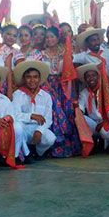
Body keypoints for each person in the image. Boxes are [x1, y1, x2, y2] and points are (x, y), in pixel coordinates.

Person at [41, 27, 81, 157]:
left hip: (64, 84)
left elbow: (71, 70)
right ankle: (55, 147)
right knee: (54, 111)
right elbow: (40, 74)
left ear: (57, 38)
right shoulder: (41, 54)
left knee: (68, 110)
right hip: (47, 86)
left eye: (52, 36)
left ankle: (71, 146)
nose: (49, 39)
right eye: (47, 37)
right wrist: (49, 87)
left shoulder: (65, 51)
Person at [12, 61, 56, 159]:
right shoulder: (18, 94)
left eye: (35, 77)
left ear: (40, 79)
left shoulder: (46, 96)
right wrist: (31, 116)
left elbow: (48, 118)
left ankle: (38, 152)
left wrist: (39, 130)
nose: (32, 80)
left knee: (50, 138)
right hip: (23, 127)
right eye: (28, 77)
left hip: (38, 127)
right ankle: (24, 152)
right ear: (24, 79)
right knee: (16, 129)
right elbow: (15, 115)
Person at [77, 63, 109, 151]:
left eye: (93, 75)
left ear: (98, 77)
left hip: (108, 122)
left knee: (106, 133)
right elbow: (80, 109)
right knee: (79, 118)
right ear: (85, 80)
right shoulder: (84, 93)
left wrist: (105, 121)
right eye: (88, 76)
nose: (91, 78)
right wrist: (76, 110)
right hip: (94, 124)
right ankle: (91, 141)